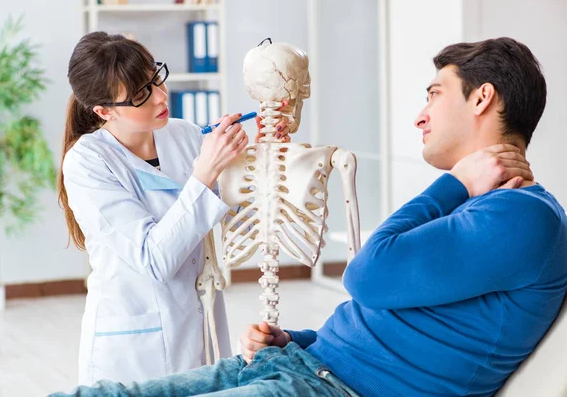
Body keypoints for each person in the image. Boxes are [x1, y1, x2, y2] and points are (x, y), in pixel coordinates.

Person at [52, 37, 567, 397]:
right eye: (142, 94)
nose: (420, 114)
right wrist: (298, 339)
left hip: (323, 385)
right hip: (301, 363)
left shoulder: (520, 217)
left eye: (434, 94)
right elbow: (394, 317)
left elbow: (365, 274)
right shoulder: (484, 208)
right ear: (104, 110)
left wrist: (455, 182)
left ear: (482, 98)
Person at [58, 31, 291, 386]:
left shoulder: (183, 135)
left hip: (201, 328)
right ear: (104, 111)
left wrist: (263, 151)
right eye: (140, 95)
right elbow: (155, 260)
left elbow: (235, 217)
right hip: (134, 348)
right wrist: (205, 173)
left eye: (156, 78)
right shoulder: (87, 162)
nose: (160, 97)